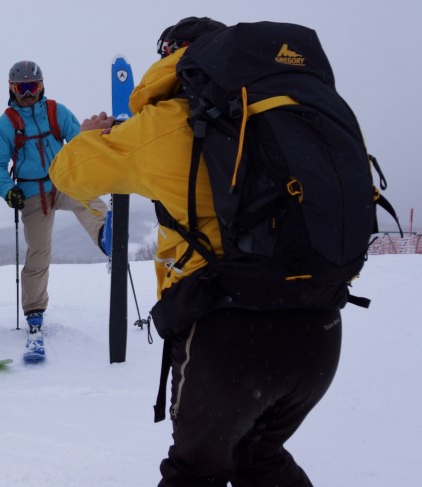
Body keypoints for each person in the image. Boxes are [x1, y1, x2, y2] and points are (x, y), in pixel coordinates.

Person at [50, 17, 344, 486]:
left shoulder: (172, 122)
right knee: (259, 456)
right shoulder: (293, 114)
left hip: (230, 334)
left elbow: (69, 175)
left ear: (175, 55)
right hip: (320, 328)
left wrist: (88, 135)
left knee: (193, 473)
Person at [0, 60, 108, 357]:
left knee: (88, 199)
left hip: (62, 179)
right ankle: (34, 311)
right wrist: (8, 190)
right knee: (39, 252)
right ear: (12, 90)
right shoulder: (6, 123)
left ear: (42, 87)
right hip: (31, 191)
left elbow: (78, 141)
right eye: (21, 88)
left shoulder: (56, 111)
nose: (28, 93)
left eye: (33, 86)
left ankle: (107, 234)